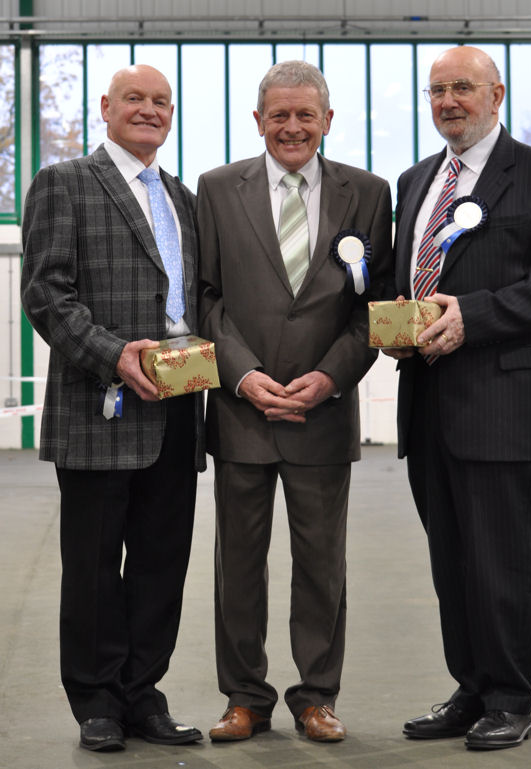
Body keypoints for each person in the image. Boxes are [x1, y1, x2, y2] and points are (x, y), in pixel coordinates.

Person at [384, 45, 531, 750]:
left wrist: (472, 314)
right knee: (452, 558)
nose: (449, 101)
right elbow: (410, 281)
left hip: (503, 404)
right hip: (427, 402)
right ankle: (471, 688)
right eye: (437, 90)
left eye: (463, 88)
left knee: (503, 560)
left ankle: (510, 694)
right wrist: (396, 326)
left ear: (496, 94)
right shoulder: (415, 181)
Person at [197, 60, 392, 743]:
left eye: (305, 114)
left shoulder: (369, 194)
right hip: (242, 412)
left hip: (323, 411)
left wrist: (332, 376)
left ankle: (316, 696)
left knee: (321, 565)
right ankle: (244, 696)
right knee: (238, 566)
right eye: (278, 114)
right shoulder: (216, 189)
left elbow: (377, 306)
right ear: (258, 120)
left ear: (328, 121)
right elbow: (206, 296)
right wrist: (242, 374)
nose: (292, 126)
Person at [21, 65, 205, 752]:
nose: (149, 110)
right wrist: (112, 354)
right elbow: (46, 294)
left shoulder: (182, 197)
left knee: (162, 560)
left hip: (178, 406)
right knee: (95, 564)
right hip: (100, 403)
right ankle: (97, 699)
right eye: (136, 99)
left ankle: (142, 693)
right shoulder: (63, 183)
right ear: (106, 108)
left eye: (162, 101)